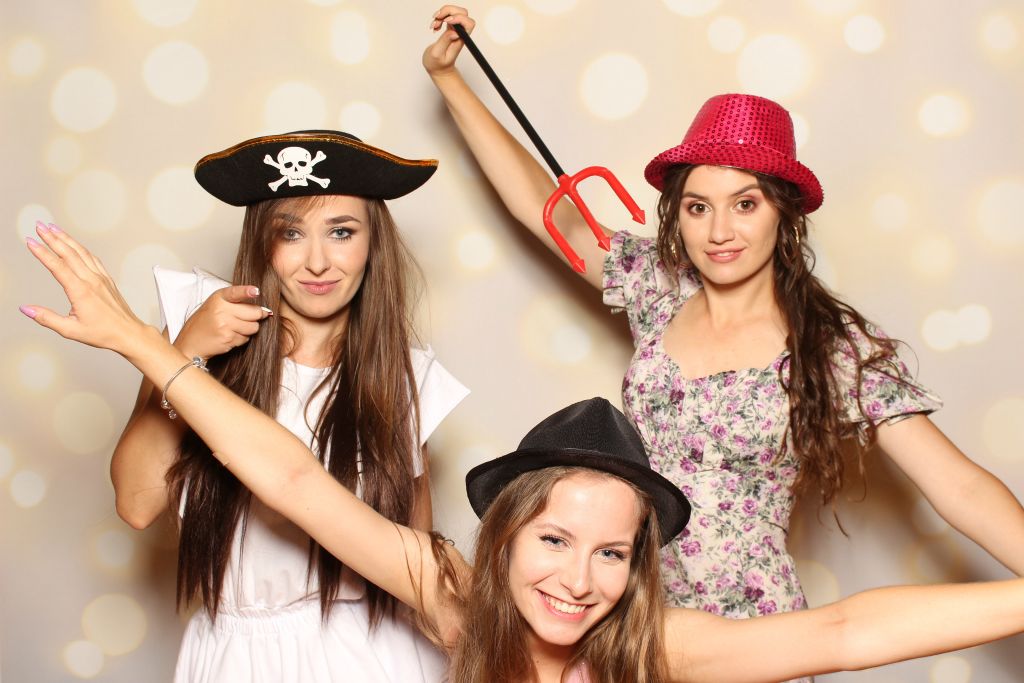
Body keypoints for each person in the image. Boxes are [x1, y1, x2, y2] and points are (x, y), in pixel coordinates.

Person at [17, 243, 1024, 682]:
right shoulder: (452, 597)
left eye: (611, 553)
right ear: (502, 536)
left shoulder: (650, 647)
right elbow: (290, 480)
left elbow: (846, 630)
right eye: (554, 539)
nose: (578, 578)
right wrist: (146, 345)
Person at [422, 4, 1024, 626]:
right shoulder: (659, 288)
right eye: (698, 207)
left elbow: (959, 486)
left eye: (745, 204)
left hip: (751, 629)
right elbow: (551, 212)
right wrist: (449, 78)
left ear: (784, 212)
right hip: (628, 612)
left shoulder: (830, 346)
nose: (719, 232)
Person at [103, 131, 468, 681]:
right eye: (291, 233)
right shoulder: (192, 339)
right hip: (229, 652)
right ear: (263, 244)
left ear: (373, 243)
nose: (317, 261)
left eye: (341, 232)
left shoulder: (403, 380)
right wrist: (185, 354)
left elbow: (410, 568)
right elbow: (136, 503)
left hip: (367, 655)